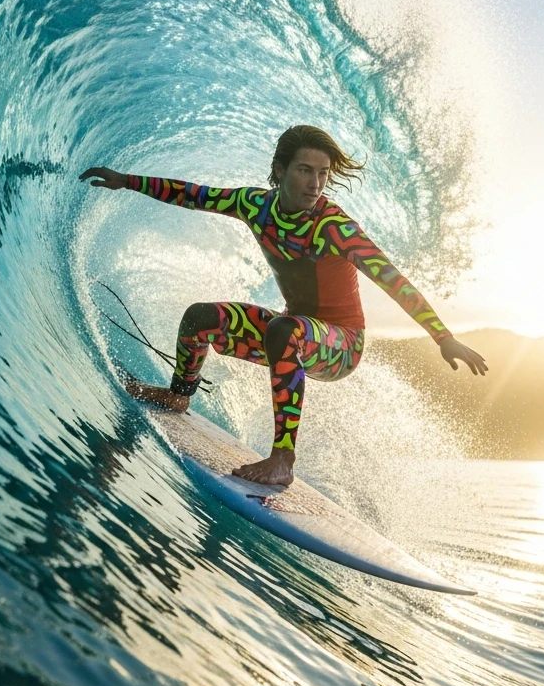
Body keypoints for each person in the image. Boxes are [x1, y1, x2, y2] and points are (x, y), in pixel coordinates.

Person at [80, 125, 488, 486]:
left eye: (323, 174)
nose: (316, 183)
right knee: (200, 317)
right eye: (305, 170)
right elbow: (193, 195)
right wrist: (125, 181)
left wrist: (443, 337)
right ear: (279, 170)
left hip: (341, 346)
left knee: (283, 330)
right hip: (293, 329)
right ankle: (179, 394)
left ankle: (283, 459)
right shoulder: (255, 206)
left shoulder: (333, 228)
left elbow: (393, 280)